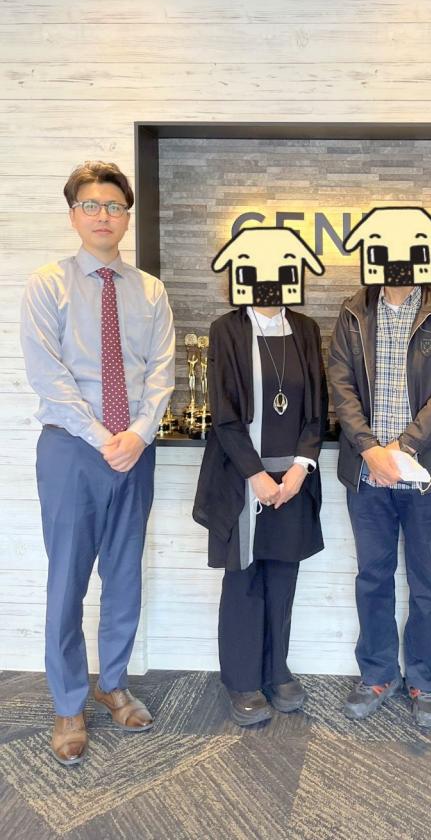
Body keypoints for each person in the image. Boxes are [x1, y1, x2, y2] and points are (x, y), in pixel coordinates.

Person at [20, 160, 175, 766]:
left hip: (134, 452)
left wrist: (137, 435)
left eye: (114, 206)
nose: (103, 215)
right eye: (91, 205)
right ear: (73, 216)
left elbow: (161, 374)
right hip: (71, 451)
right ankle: (67, 703)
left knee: (124, 573)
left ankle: (113, 684)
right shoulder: (47, 286)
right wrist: (102, 436)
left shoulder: (151, 292)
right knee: (67, 579)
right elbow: (48, 374)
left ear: (126, 217)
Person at [329, 272, 431, 728]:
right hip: (368, 472)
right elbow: (341, 385)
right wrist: (370, 450)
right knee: (372, 578)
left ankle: (425, 679)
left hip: (425, 472)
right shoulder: (354, 310)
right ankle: (377, 674)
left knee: (427, 583)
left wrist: (403, 448)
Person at [193, 300, 326, 727]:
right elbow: (224, 414)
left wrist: (301, 468)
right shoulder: (227, 329)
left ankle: (275, 671)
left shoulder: (305, 329)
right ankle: (242, 680)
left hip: (293, 480)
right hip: (243, 477)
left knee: (283, 577)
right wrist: (256, 475)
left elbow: (317, 410)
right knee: (243, 580)